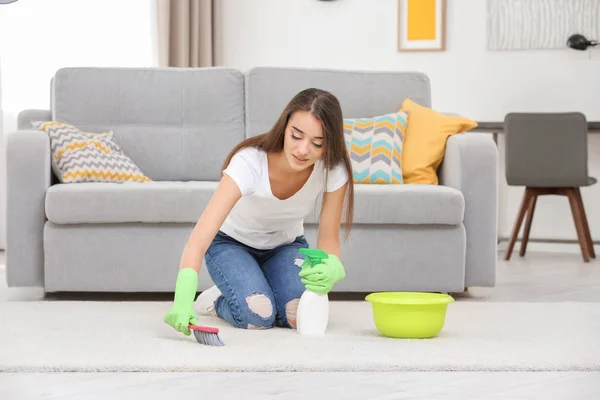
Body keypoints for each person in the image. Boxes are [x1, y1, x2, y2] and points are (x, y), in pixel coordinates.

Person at [163, 88, 355, 335]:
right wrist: (182, 300)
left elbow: (329, 238)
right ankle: (217, 300)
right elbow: (199, 240)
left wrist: (333, 265)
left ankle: (254, 284)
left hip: (286, 245)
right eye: (296, 136)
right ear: (284, 127)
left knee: (296, 315)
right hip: (230, 244)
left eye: (317, 143)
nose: (303, 150)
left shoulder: (333, 169)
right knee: (258, 315)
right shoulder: (249, 163)